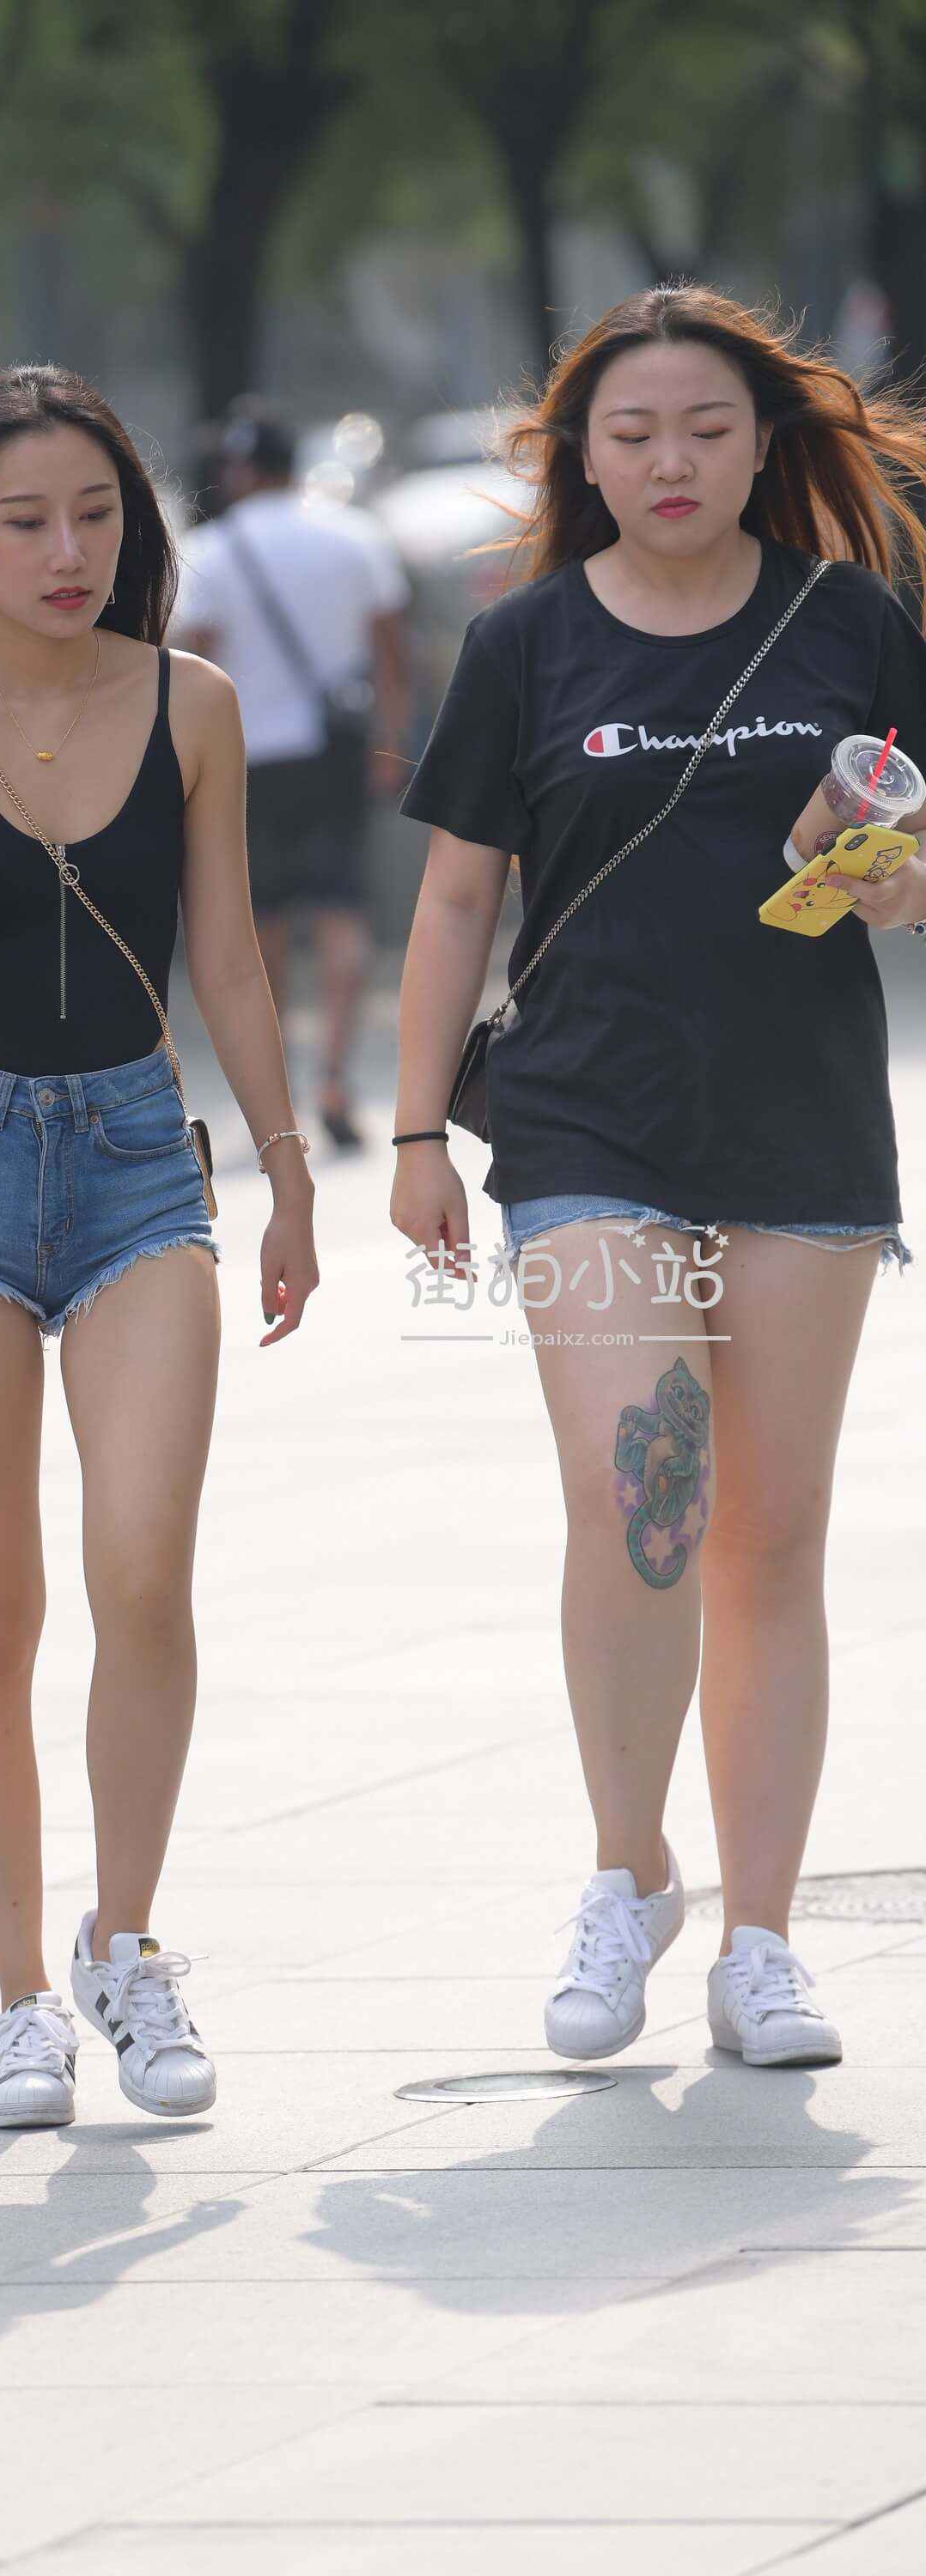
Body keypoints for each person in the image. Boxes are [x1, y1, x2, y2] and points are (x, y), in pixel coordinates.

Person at [391, 283, 926, 2072]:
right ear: (583, 458)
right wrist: (412, 1134)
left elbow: (920, 842)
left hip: (799, 1125)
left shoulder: (851, 620)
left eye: (705, 428)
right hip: (586, 1125)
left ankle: (762, 1944)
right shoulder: (524, 644)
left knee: (770, 1535)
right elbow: (456, 898)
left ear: (764, 446)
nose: (670, 460)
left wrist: (896, 880)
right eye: (632, 433)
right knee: (649, 1487)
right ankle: (630, 1875)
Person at [0, 362, 320, 2129]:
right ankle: (21, 1998)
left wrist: (289, 1171)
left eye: (95, 515)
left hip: (135, 1167)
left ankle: (128, 1944)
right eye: (24, 520)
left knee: (143, 1569)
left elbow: (228, 953)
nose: (66, 549)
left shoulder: (192, 703)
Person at [173, 399, 410, 1152]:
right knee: (343, 912)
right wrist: (389, 743)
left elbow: (194, 663)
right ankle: (336, 1074)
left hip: (242, 759)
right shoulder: (354, 536)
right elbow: (391, 651)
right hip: (336, 751)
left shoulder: (210, 550)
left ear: (239, 471)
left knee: (262, 925)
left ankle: (279, 1094)